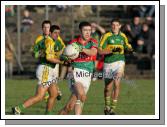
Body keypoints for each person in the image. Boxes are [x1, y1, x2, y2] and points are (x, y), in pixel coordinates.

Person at [12, 25, 68, 115]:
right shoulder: (49, 42)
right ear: (50, 33)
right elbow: (49, 58)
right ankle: (18, 109)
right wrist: (62, 62)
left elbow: (59, 52)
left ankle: (48, 115)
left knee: (54, 94)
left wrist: (65, 56)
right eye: (55, 33)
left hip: (49, 70)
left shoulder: (54, 41)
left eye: (58, 33)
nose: (57, 35)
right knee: (39, 96)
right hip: (45, 70)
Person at [58, 21, 97, 115]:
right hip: (75, 73)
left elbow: (93, 52)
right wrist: (65, 58)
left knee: (69, 107)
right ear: (80, 31)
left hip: (87, 75)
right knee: (82, 96)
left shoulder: (93, 42)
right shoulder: (73, 43)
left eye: (89, 30)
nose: (88, 32)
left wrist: (81, 49)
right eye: (85, 30)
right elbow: (63, 55)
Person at [98, 18, 133, 115]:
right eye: (113, 24)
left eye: (116, 25)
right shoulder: (106, 36)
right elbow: (100, 50)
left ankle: (112, 109)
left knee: (117, 83)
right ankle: (107, 107)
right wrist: (111, 51)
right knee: (107, 88)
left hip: (120, 62)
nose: (114, 26)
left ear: (120, 26)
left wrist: (130, 49)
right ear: (110, 25)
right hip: (108, 63)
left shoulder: (123, 36)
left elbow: (127, 45)